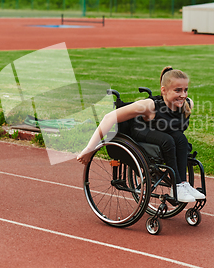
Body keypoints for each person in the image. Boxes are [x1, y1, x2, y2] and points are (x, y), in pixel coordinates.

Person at [77, 66, 205, 203]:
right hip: (141, 131)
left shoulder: (187, 104)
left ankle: (183, 184)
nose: (183, 95)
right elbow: (109, 118)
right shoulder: (149, 106)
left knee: (181, 139)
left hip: (164, 134)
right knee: (167, 140)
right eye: (177, 90)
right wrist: (89, 149)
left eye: (185, 90)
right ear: (164, 90)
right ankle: (177, 186)